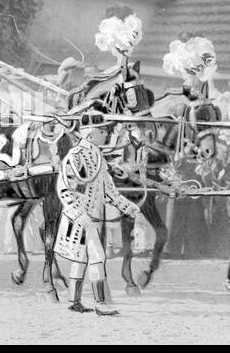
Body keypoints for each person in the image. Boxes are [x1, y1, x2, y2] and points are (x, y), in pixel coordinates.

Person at [54, 115, 155, 315]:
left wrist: (129, 207)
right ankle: (100, 303)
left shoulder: (98, 157)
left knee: (81, 259)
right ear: (91, 132)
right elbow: (65, 189)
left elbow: (109, 192)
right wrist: (79, 213)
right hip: (79, 218)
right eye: (102, 131)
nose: (106, 134)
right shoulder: (76, 156)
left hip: (92, 218)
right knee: (97, 256)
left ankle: (74, 301)